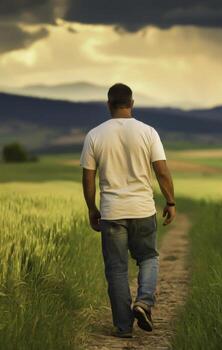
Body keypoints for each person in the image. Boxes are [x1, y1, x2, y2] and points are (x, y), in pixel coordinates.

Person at [80, 83, 176, 338]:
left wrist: (92, 208)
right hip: (143, 209)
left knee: (116, 269)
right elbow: (162, 171)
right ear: (132, 104)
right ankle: (144, 302)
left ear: (108, 105)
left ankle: (123, 327)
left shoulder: (94, 135)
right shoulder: (149, 132)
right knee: (148, 257)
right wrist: (170, 201)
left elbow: (88, 178)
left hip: (111, 213)